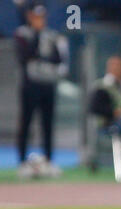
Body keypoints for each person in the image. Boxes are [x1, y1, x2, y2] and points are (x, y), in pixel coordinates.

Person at [15, 2, 69, 178]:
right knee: (26, 123)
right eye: (37, 16)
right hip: (30, 86)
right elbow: (25, 56)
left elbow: (57, 58)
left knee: (48, 124)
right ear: (30, 17)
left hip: (47, 85)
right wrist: (37, 35)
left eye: (42, 16)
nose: (40, 20)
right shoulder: (22, 34)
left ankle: (48, 160)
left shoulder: (52, 36)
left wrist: (42, 56)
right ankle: (22, 162)